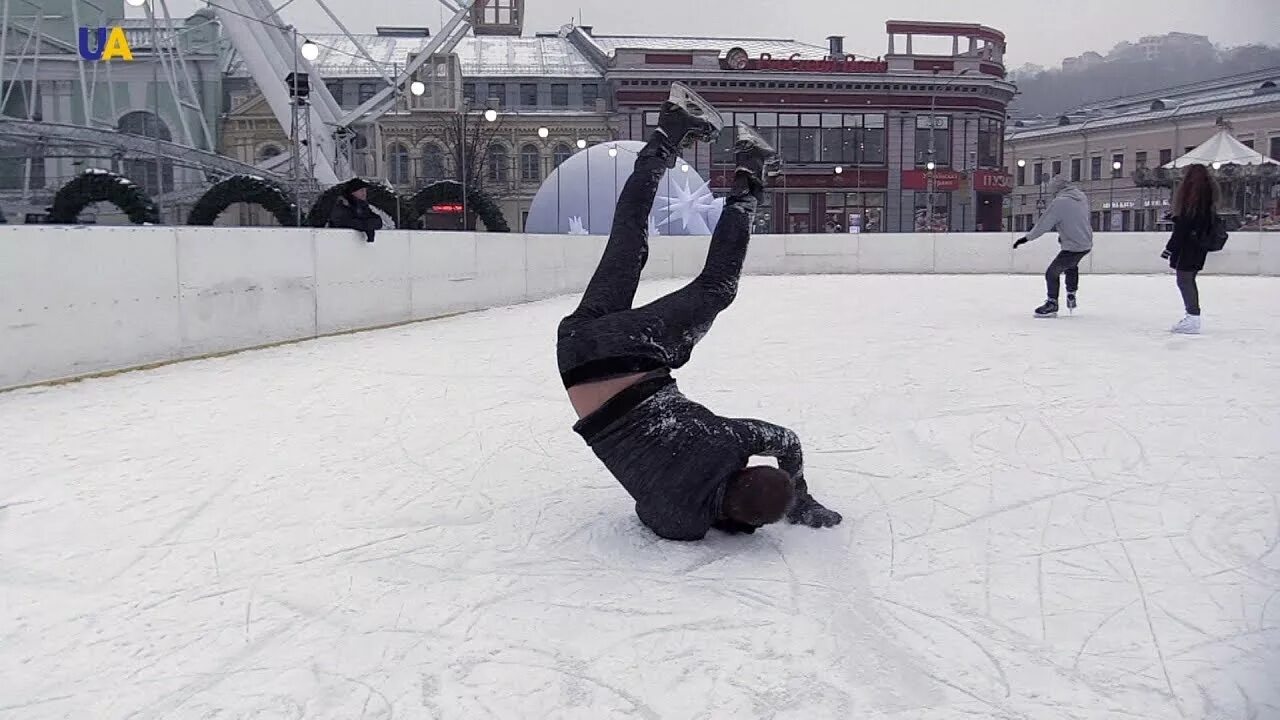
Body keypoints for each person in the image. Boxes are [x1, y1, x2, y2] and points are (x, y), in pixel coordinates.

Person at [557, 83, 842, 541]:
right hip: (573, 353)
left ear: (744, 469)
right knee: (628, 243)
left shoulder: (730, 444)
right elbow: (651, 510)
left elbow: (786, 440)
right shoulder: (681, 522)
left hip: (630, 357)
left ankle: (745, 167)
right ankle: (672, 128)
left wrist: (799, 494)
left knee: (714, 286)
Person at [1012, 175, 1094, 317]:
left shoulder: (1059, 203)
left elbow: (1043, 224)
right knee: (1071, 266)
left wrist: (1026, 238)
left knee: (1051, 273)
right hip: (1086, 243)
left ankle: (1052, 303)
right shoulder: (1081, 197)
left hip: (1072, 245)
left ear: (1056, 189)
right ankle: (1071, 292)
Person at [1162, 163, 1218, 334]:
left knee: (1184, 280)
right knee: (1188, 279)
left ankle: (1193, 316)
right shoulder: (1208, 199)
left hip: (1189, 246)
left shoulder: (1191, 200)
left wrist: (1169, 248)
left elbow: (1183, 227)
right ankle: (1192, 316)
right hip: (1200, 244)